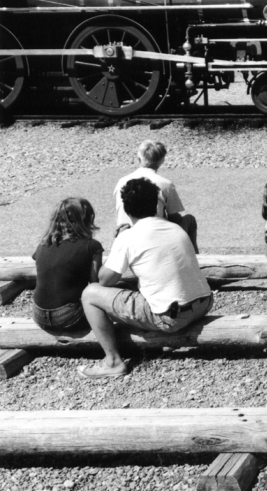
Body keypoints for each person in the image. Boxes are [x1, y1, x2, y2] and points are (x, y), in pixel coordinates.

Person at [78, 176, 213, 378]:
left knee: (89, 295)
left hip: (171, 316)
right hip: (203, 303)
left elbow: (105, 281)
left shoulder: (129, 237)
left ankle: (113, 361)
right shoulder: (176, 228)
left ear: (127, 209)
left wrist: (117, 244)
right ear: (157, 204)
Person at [31, 198, 103, 334]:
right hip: (68, 315)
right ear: (87, 219)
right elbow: (96, 284)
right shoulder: (92, 246)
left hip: (39, 314)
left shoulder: (43, 244)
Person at [113, 140, 198, 252]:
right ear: (162, 160)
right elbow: (174, 218)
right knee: (189, 220)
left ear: (139, 158)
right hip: (153, 236)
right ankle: (195, 257)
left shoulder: (121, 182)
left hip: (125, 233)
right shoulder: (165, 184)